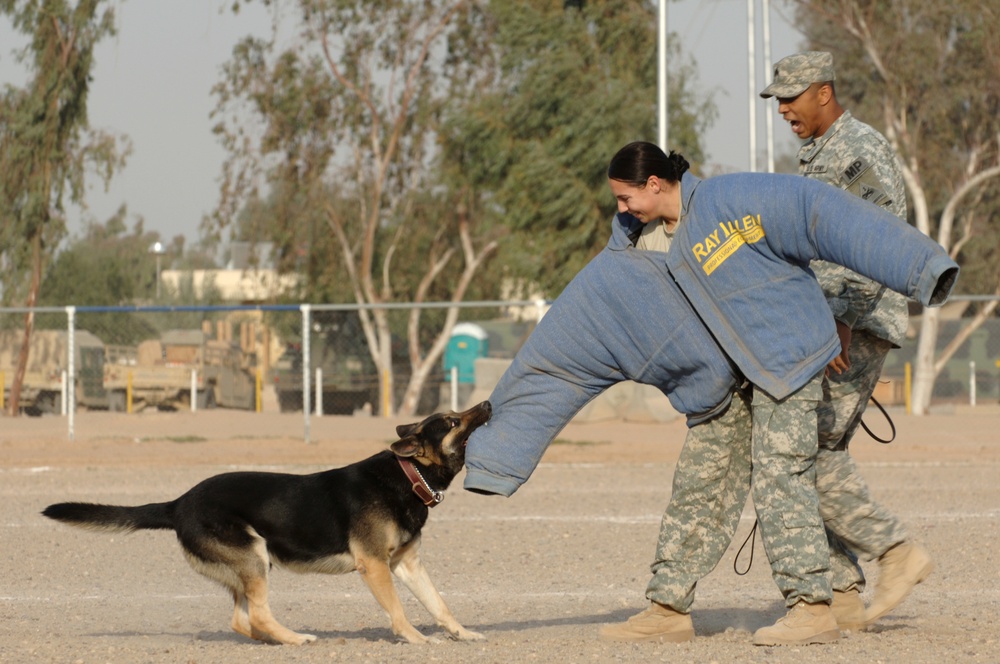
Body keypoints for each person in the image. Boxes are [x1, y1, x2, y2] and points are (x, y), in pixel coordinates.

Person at [464, 144, 958, 645]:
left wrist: (920, 268)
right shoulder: (632, 248)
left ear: (654, 184)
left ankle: (814, 607)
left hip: (787, 360)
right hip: (720, 386)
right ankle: (671, 608)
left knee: (781, 476)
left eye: (624, 197)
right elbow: (559, 351)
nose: (620, 208)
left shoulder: (732, 201)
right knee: (700, 487)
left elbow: (820, 213)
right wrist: (492, 450)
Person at [761, 51, 932, 629]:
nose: (784, 109)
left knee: (805, 451)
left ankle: (895, 553)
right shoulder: (817, 154)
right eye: (779, 100)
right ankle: (840, 590)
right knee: (805, 451)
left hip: (852, 323)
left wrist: (842, 320)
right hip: (827, 321)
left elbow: (876, 240)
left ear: (824, 93)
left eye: (791, 97)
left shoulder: (858, 149)